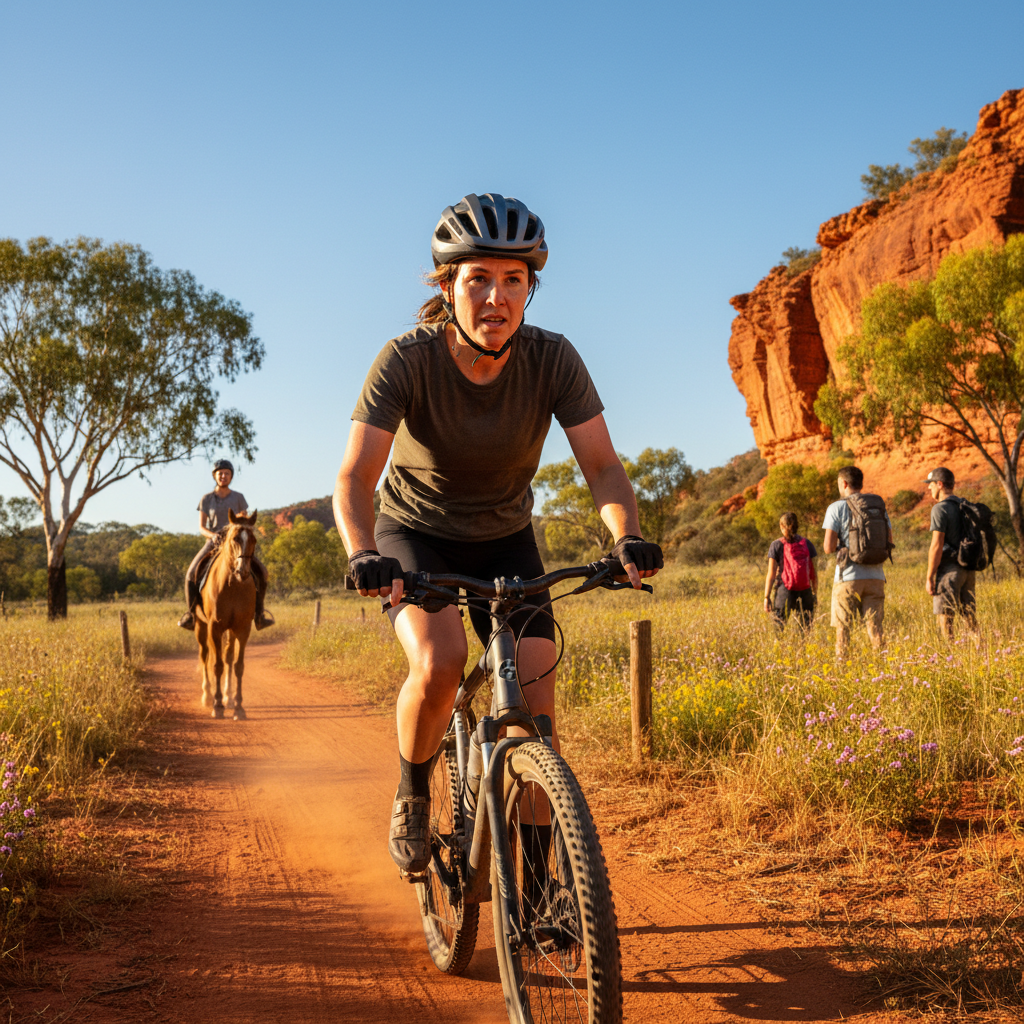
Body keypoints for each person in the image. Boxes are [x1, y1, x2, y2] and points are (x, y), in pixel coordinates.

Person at [332, 192, 663, 875]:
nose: (495, 296)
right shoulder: (406, 359)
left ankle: (541, 881)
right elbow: (356, 477)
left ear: (530, 288)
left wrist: (626, 535)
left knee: (537, 704)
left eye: (513, 280)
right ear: (447, 286)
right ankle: (413, 792)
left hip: (506, 536)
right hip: (413, 531)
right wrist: (363, 552)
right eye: (477, 277)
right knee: (439, 660)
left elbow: (602, 466)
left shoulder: (553, 360)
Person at [177, 459, 274, 630]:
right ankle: (191, 616)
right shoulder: (206, 499)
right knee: (191, 574)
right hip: (214, 542)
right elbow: (201, 527)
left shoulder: (238, 498)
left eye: (227, 473)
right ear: (215, 476)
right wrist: (212, 536)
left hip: (236, 543)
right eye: (220, 473)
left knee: (263, 572)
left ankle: (259, 615)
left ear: (231, 477)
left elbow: (244, 520)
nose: (223, 476)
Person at [822, 465, 893, 659]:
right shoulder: (877, 505)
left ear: (843, 483)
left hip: (848, 577)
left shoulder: (836, 507)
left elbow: (828, 547)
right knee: (876, 628)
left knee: (843, 629)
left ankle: (842, 667)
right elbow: (890, 540)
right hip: (876, 576)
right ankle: (883, 668)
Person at [924, 466, 978, 640]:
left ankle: (951, 658)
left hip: (949, 571)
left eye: (931, 484)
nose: (928, 488)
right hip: (968, 570)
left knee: (946, 619)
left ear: (940, 484)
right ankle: (981, 651)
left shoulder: (940, 509)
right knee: (970, 618)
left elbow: (936, 546)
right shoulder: (965, 505)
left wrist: (930, 577)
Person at [763, 512, 817, 630]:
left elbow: (771, 574)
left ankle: (781, 648)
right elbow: (814, 574)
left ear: (782, 527)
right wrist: (814, 594)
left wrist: (766, 597)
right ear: (797, 526)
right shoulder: (807, 543)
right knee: (805, 631)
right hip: (805, 591)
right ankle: (802, 647)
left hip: (784, 590)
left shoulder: (776, 545)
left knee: (779, 629)